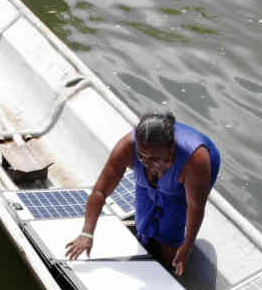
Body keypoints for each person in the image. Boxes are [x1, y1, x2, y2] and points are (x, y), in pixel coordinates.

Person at [65, 111, 221, 276]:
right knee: (142, 227)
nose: (147, 163)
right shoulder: (127, 147)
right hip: (152, 175)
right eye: (141, 156)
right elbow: (100, 191)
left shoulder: (196, 161)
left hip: (184, 183)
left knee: (170, 252)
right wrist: (87, 233)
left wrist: (187, 246)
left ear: (171, 149)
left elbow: (195, 207)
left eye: (155, 159)